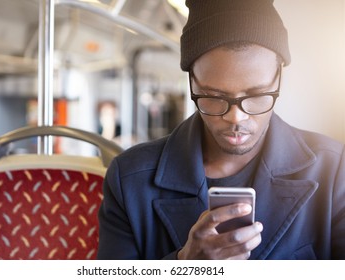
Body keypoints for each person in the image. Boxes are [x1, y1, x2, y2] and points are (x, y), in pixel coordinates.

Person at [97, 0, 345, 260]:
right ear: (192, 81)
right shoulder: (129, 179)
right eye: (214, 96)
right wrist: (183, 266)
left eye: (257, 95)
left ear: (279, 76)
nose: (236, 116)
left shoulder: (334, 170)